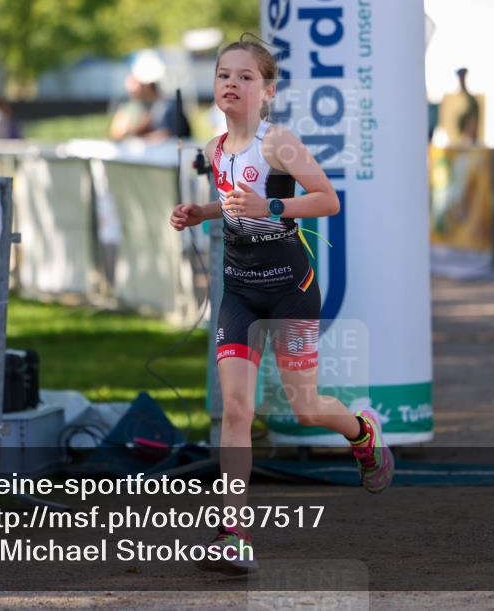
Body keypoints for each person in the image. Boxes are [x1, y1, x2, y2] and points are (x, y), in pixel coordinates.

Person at [168, 36, 394, 575]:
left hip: (290, 289)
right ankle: (233, 534)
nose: (231, 83)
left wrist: (272, 204)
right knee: (237, 410)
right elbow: (234, 204)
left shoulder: (279, 143)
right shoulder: (215, 149)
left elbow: (327, 200)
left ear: (267, 91)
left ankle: (362, 432)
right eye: (224, 74)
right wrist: (201, 212)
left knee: (305, 407)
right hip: (240, 293)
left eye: (245, 77)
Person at [108, 74, 149, 141]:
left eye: (135, 83)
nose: (134, 88)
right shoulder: (123, 103)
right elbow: (115, 128)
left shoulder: (147, 104)